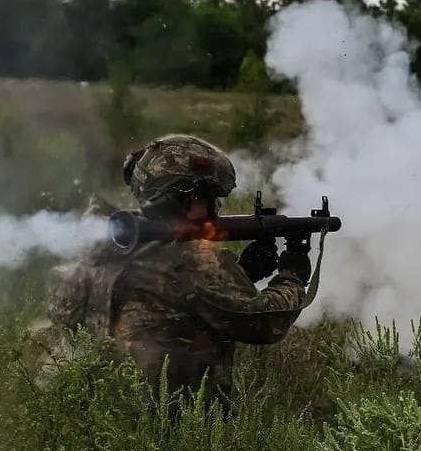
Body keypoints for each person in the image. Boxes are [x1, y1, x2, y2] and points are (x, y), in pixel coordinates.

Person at [48, 134, 311, 408]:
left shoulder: (107, 246)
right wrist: (292, 275)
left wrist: (243, 271)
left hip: (102, 416)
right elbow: (263, 323)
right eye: (206, 198)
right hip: (171, 424)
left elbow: (173, 302)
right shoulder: (190, 262)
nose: (213, 209)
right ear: (181, 200)